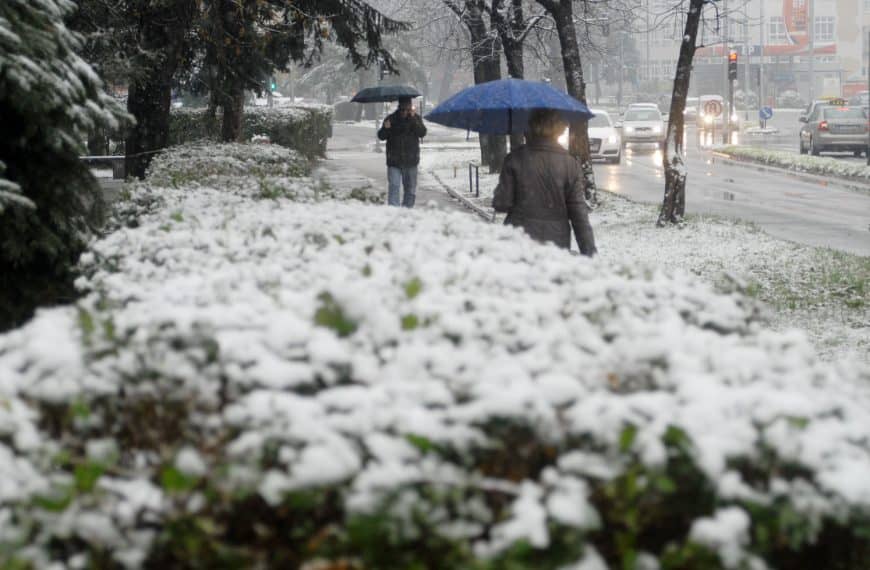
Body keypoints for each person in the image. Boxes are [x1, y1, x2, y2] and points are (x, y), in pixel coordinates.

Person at [492, 109, 597, 256]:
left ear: (531, 126)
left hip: (519, 239)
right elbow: (578, 214)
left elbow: (501, 203)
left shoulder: (514, 159)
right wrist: (589, 253)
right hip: (555, 242)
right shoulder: (570, 164)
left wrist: (499, 192)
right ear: (560, 129)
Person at [377, 97, 427, 207]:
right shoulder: (391, 119)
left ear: (410, 108)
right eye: (402, 109)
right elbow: (381, 136)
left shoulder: (416, 118)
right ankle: (393, 211)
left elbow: (422, 133)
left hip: (411, 160)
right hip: (394, 161)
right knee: (394, 187)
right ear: (399, 108)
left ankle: (406, 211)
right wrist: (385, 128)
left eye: (407, 109)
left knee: (410, 189)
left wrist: (414, 119)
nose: (404, 112)